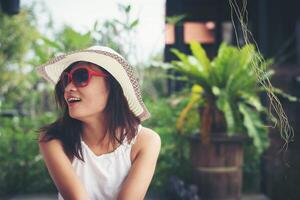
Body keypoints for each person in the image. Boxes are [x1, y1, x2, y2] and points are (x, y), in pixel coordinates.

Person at [36, 46, 161, 200]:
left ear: (112, 86)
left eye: (81, 77)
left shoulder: (145, 141)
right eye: (66, 80)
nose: (68, 88)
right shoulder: (52, 139)